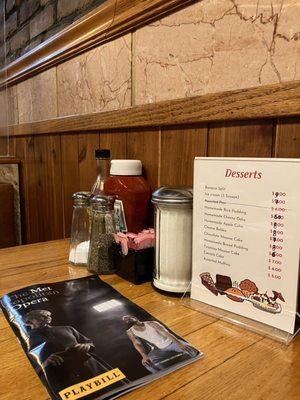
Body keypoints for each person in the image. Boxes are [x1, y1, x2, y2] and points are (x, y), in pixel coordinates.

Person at [23, 309, 107, 392]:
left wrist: (87, 346)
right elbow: (29, 369)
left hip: (92, 366)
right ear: (29, 322)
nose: (47, 316)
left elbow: (88, 342)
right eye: (40, 316)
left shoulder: (67, 328)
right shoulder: (26, 340)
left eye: (47, 314)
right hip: (63, 377)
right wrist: (45, 363)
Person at [122, 315, 198, 373]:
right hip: (158, 349)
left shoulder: (151, 324)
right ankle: (165, 376)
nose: (127, 321)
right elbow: (136, 343)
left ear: (134, 317)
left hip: (171, 343)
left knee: (192, 350)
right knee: (147, 363)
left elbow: (166, 333)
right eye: (125, 321)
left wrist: (179, 343)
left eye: (128, 318)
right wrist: (144, 356)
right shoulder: (130, 331)